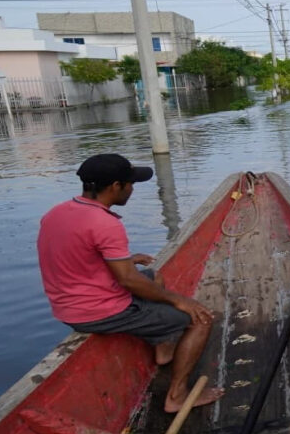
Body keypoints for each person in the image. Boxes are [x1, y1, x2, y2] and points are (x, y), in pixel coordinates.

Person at [37, 154, 224, 413]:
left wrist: (126, 259)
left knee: (153, 275)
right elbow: (127, 280)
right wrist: (180, 300)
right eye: (130, 184)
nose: (132, 189)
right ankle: (177, 396)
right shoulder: (105, 223)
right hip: (98, 312)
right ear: (116, 186)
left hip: (65, 306)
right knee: (201, 318)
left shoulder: (56, 213)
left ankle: (163, 348)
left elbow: (73, 253)